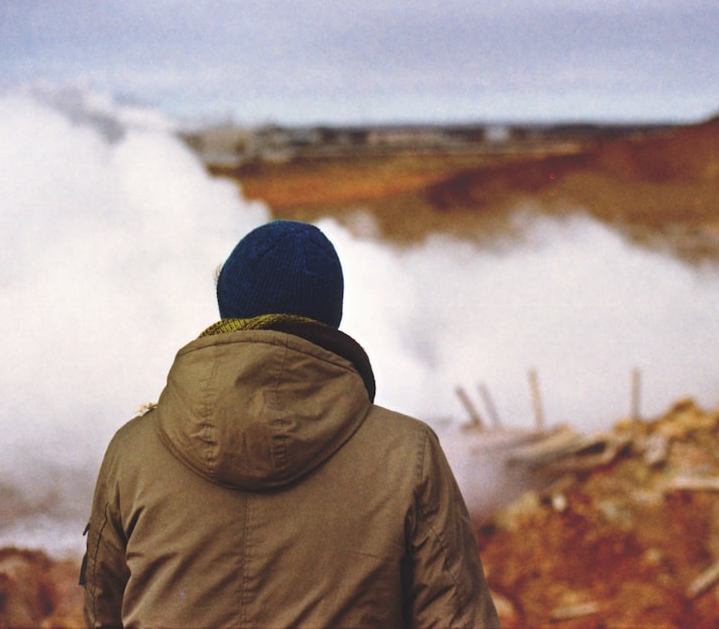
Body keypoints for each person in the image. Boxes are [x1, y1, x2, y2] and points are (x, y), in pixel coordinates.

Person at [81, 220, 499, 628]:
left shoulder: (132, 451)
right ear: (329, 316)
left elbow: (102, 610)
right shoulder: (409, 454)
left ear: (228, 304)